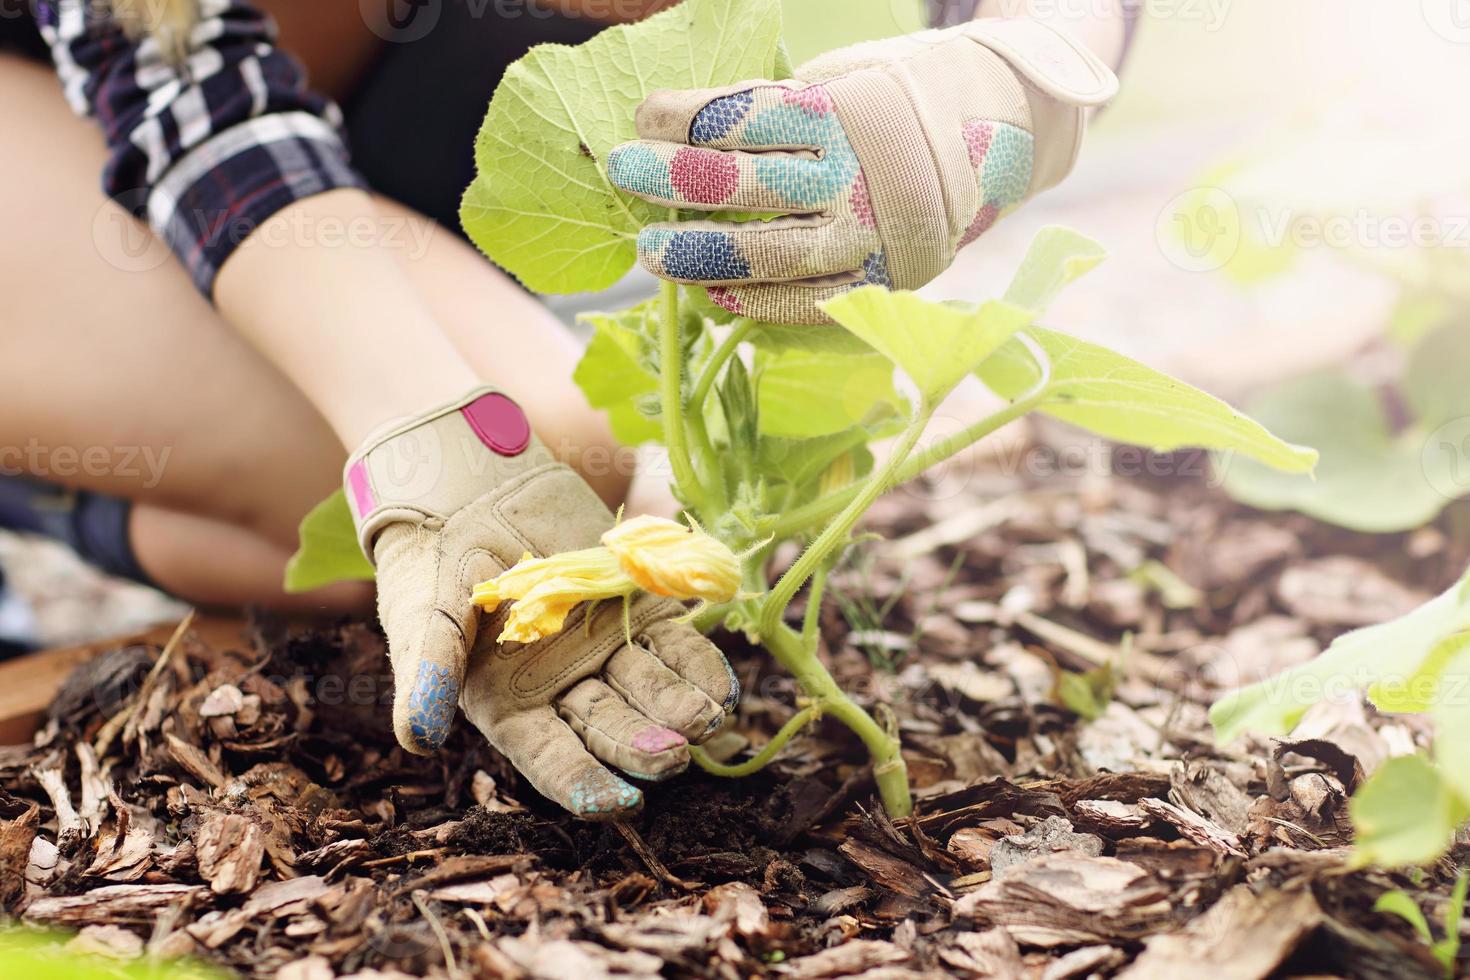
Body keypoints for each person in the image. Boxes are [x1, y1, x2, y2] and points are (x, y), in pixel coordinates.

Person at [0, 0, 1133, 818]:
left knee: (408, 546)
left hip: (341, 89)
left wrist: (1024, 65)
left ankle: (77, 494)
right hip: (99, 96)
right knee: (520, 462)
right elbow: (193, 96)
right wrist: (422, 432)